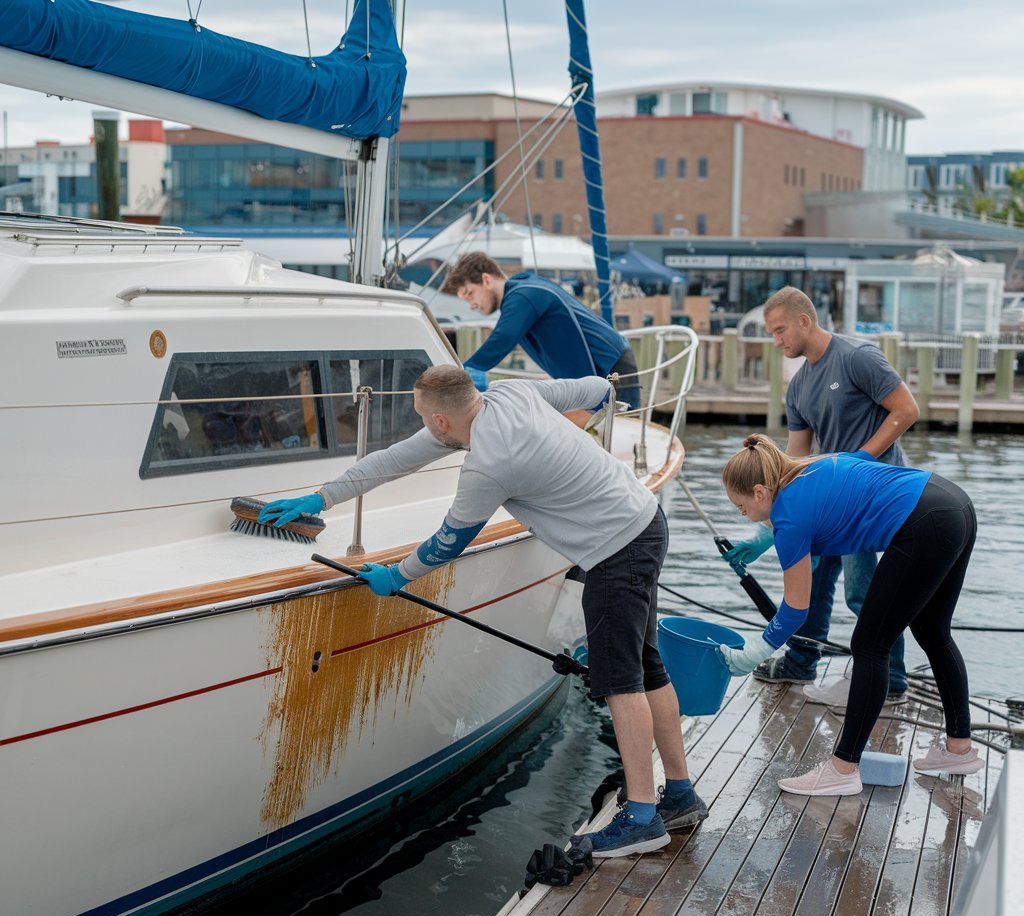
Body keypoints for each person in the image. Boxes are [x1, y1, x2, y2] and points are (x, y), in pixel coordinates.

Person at [258, 366, 706, 856]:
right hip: (644, 520)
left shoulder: (488, 466)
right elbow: (599, 390)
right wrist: (322, 496)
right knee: (646, 667)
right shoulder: (513, 393)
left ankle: (642, 817)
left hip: (614, 551)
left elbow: (448, 542)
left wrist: (397, 576)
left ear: (441, 421)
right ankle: (679, 794)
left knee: (621, 682)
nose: (423, 427)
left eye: (423, 417)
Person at [718, 434, 979, 796]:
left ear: (760, 492)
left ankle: (842, 769)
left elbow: (795, 610)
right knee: (933, 632)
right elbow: (854, 474)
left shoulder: (789, 520)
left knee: (870, 645)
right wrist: (766, 539)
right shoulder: (812, 465)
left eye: (741, 507)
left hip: (923, 525)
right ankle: (959, 750)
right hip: (953, 504)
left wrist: (755, 652)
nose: (743, 514)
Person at [725, 286, 920, 705]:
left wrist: (858, 461)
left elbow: (906, 410)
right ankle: (801, 663)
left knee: (862, 593)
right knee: (810, 582)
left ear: (804, 320)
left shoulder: (857, 357)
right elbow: (792, 463)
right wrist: (765, 533)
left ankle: (891, 680)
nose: (776, 341)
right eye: (771, 333)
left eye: (780, 330)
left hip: (870, 500)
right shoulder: (798, 388)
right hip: (826, 504)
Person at [442, 252, 642, 410]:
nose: (472, 305)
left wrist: (464, 374)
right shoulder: (524, 290)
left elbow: (503, 337)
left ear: (486, 280)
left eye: (470, 294)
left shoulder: (523, 295)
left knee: (624, 434)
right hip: (604, 368)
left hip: (611, 366)